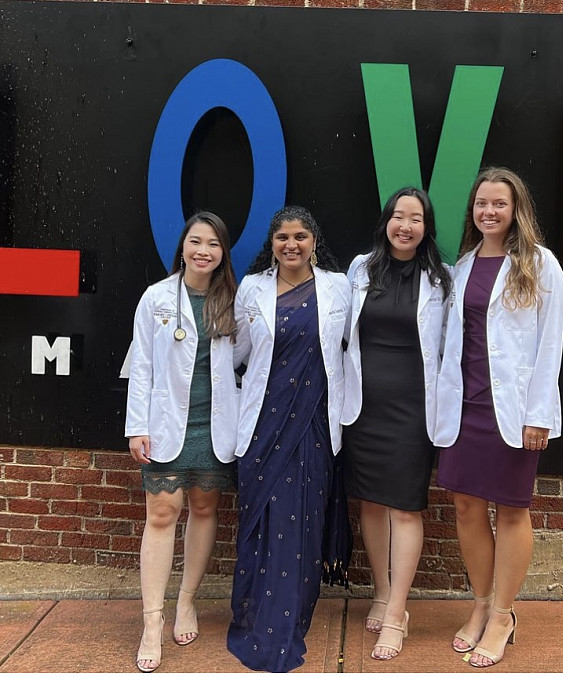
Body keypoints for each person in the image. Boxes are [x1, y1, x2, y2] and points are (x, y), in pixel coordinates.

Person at [435, 167, 563, 668]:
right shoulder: (463, 265)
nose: (489, 212)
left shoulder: (540, 264)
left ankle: (504, 615)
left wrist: (539, 414)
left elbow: (550, 345)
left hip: (512, 409)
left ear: (516, 210)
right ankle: (481, 604)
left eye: (499, 204)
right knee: (466, 507)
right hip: (464, 406)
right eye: (481, 203)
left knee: (511, 509)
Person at [227, 205, 351, 673]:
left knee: (304, 520)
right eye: (283, 237)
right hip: (263, 423)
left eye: (300, 236)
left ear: (314, 241)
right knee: (263, 519)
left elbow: (352, 346)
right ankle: (256, 615)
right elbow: (236, 351)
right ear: (272, 243)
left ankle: (292, 615)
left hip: (314, 422)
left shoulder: (338, 286)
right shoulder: (251, 288)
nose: (291, 244)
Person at [125, 212, 240, 673]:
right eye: (196, 241)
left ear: (223, 252)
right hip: (166, 421)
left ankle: (186, 601)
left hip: (214, 423)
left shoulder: (233, 300)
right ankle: (151, 620)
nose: (203, 251)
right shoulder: (156, 297)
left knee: (205, 508)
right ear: (183, 247)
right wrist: (137, 426)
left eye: (213, 244)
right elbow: (141, 365)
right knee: (161, 513)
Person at [341, 187, 451, 661]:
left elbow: (448, 346)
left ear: (427, 228)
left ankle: (397, 612)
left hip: (413, 411)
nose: (405, 226)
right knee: (370, 502)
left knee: (405, 508)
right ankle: (382, 592)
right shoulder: (360, 269)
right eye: (398, 217)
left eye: (416, 219)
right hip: (363, 407)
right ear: (386, 221)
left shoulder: (442, 279)